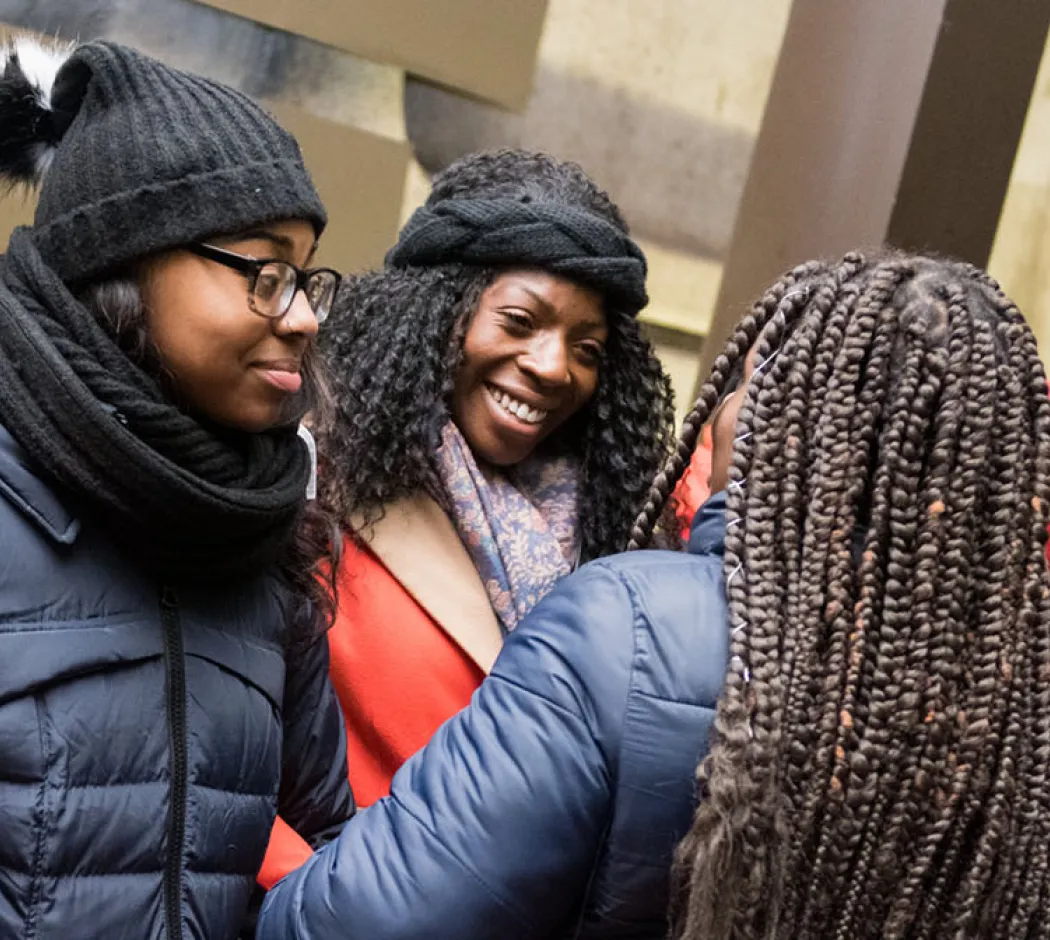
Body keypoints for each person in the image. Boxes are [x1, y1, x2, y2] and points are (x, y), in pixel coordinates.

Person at [257, 251, 1050, 940]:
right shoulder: (1016, 712)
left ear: (788, 419)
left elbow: (361, 922)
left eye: (746, 384)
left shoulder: (625, 626)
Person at [0, 36, 353, 940]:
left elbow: (331, 842)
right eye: (265, 272)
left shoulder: (269, 536)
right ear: (126, 263)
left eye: (307, 275)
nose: (305, 315)